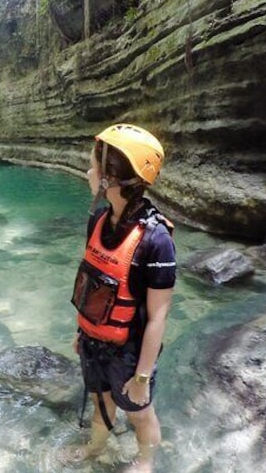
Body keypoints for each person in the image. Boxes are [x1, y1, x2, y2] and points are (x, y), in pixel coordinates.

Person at [68, 124, 176, 473]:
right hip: (95, 341)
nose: (88, 172)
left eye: (93, 166)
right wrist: (81, 332)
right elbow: (92, 283)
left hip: (130, 350)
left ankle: (146, 462)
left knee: (139, 412)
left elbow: (158, 317)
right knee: (101, 400)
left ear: (109, 178)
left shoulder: (157, 240)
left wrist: (142, 376)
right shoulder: (99, 219)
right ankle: (96, 447)